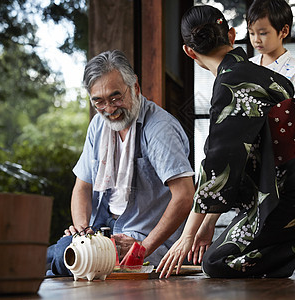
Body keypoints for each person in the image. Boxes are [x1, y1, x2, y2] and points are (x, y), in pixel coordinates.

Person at [157, 5, 295, 279]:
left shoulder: (230, 87)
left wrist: (188, 235)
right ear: (232, 36)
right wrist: (208, 223)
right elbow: (236, 163)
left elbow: (218, 169)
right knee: (225, 250)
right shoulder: (267, 77)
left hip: (294, 196)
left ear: (189, 51)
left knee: (216, 263)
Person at [46, 50, 195, 276]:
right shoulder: (98, 125)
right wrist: (81, 233)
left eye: (116, 98)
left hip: (144, 240)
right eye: (99, 102)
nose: (110, 109)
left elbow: (184, 196)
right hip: (101, 231)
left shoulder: (159, 129)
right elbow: (82, 187)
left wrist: (141, 250)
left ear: (135, 87)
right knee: (48, 254)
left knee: (59, 257)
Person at [247, 0, 295, 95]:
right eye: (252, 33)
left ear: (284, 31)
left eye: (263, 33)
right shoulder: (248, 65)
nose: (256, 40)